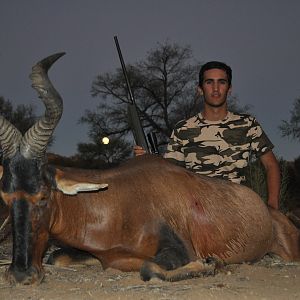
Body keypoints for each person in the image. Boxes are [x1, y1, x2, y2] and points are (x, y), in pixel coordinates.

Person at [134, 61, 280, 210]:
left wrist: (272, 206)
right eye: (209, 82)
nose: (216, 89)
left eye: (221, 82)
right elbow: (170, 174)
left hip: (240, 209)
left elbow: (271, 164)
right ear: (200, 89)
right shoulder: (183, 129)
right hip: (198, 212)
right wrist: (148, 160)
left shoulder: (248, 124)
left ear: (229, 89)